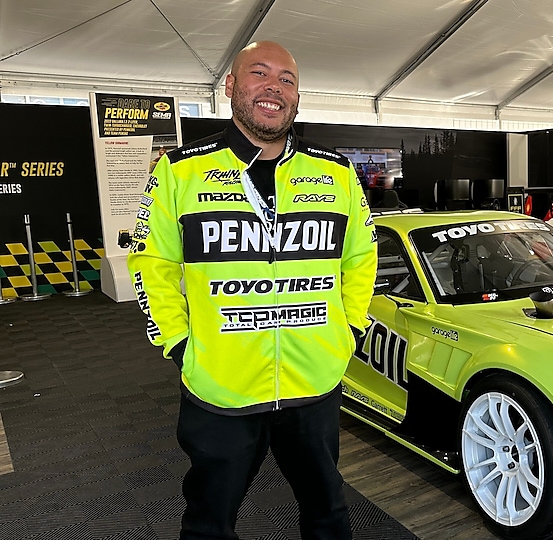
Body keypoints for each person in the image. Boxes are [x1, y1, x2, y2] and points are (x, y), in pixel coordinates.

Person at [127, 41, 377, 540]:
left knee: (329, 515)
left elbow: (360, 259)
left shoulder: (337, 172)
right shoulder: (180, 171)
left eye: (287, 79)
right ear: (232, 87)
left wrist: (348, 329)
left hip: (314, 385)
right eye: (259, 74)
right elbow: (151, 264)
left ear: (297, 96)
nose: (274, 87)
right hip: (220, 386)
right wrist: (178, 344)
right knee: (209, 524)